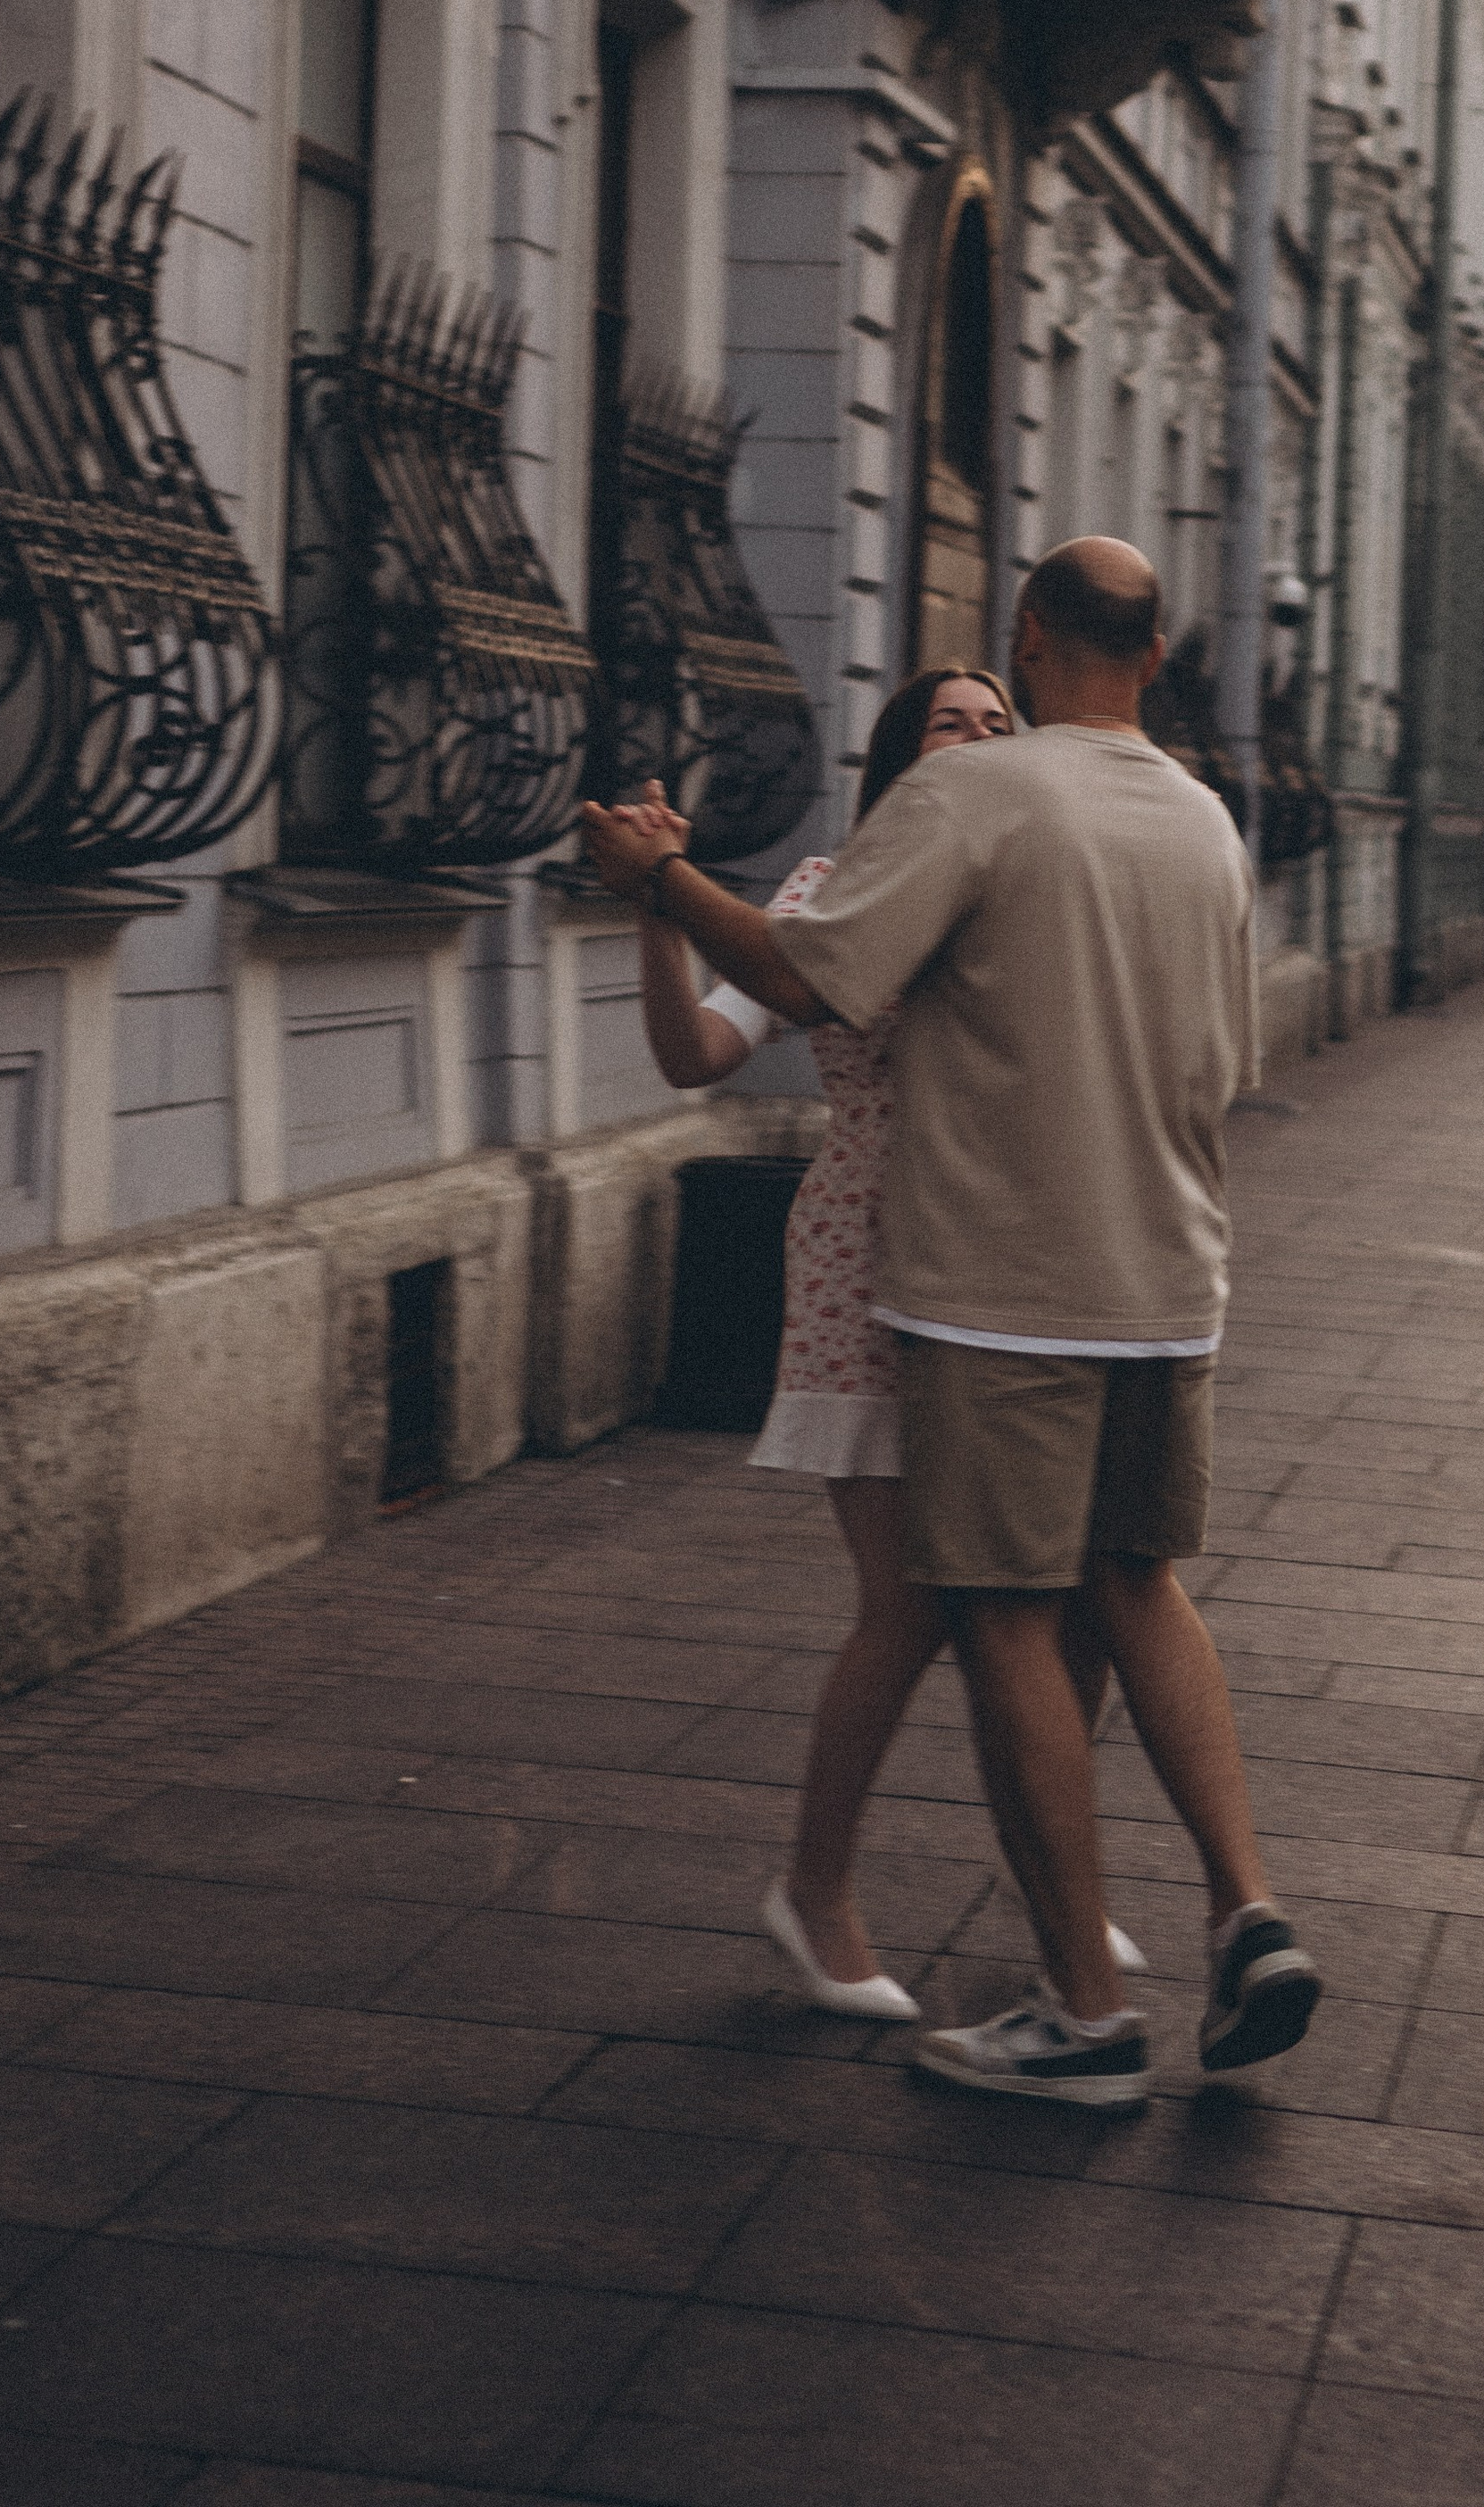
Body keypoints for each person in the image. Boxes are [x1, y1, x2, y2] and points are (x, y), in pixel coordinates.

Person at [581, 539, 1317, 2109]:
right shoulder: (1203, 821)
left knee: (994, 1614)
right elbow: (1228, 1059)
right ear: (1166, 650)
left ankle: (1084, 2015)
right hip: (1170, 1279)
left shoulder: (977, 800)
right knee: (1137, 1584)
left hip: (997, 1284)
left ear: (1034, 636)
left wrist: (655, 879)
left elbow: (806, 973)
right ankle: (1248, 1908)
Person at [615, 667, 1143, 2025]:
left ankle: (1061, 1893)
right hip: (870, 1253)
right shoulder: (826, 894)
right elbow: (699, 1058)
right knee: (911, 1605)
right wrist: (656, 909)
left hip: (1016, 1255)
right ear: (901, 762)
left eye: (998, 723)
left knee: (1068, 1588)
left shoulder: (1032, 881)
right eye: (953, 723)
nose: (981, 738)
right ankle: (818, 1891)